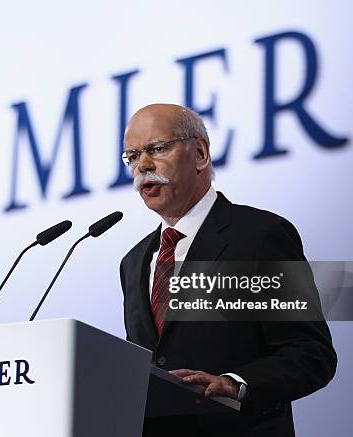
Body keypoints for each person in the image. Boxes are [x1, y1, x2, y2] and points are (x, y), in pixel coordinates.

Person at [119, 103, 336, 437]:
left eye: (157, 149)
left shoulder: (260, 236)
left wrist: (236, 385)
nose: (143, 166)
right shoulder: (134, 262)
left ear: (201, 154)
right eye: (132, 156)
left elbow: (311, 354)